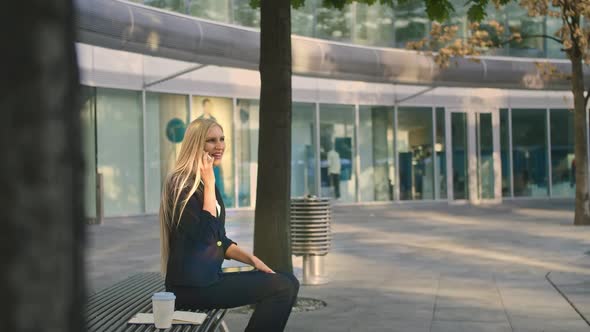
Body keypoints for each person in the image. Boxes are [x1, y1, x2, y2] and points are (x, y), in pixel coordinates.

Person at [160, 119, 299, 331]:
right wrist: (209, 183)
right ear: (196, 145)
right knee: (282, 288)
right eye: (211, 141)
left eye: (222, 139)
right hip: (192, 288)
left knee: (288, 279)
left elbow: (219, 239)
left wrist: (252, 259)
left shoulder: (204, 182)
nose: (220, 146)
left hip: (209, 279)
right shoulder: (181, 184)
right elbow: (205, 237)